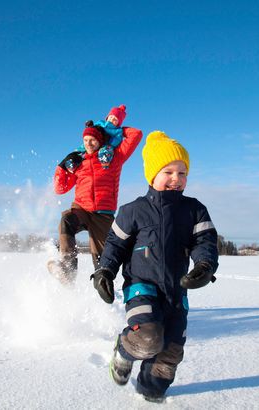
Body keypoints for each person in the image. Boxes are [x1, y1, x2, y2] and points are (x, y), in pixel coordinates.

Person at [90, 131, 219, 402]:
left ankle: (149, 392)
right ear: (152, 175)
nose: (176, 179)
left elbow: (205, 241)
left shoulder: (195, 210)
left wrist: (205, 265)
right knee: (148, 337)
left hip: (176, 291)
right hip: (141, 286)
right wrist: (105, 271)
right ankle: (124, 351)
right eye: (168, 171)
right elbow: (114, 245)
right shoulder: (132, 211)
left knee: (171, 351)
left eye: (182, 173)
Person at [49, 119, 143, 284]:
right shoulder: (79, 162)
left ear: (101, 140)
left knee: (101, 264)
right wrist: (62, 166)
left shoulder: (115, 157)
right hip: (81, 209)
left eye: (92, 140)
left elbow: (136, 134)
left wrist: (111, 128)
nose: (88, 143)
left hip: (103, 215)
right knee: (66, 220)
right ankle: (67, 269)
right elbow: (60, 188)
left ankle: (104, 297)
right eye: (85, 140)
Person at [73, 104, 127, 169]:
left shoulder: (117, 130)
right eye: (111, 117)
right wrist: (90, 126)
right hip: (95, 140)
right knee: (84, 146)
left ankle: (105, 162)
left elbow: (118, 139)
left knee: (106, 150)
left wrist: (110, 143)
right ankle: (74, 159)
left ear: (118, 123)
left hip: (106, 143)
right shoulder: (101, 122)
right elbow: (94, 129)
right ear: (107, 117)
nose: (112, 120)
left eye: (115, 119)